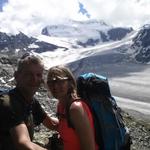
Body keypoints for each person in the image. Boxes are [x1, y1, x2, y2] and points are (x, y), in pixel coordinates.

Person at [0, 53, 58, 150]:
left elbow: (52, 124)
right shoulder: (8, 103)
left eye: (38, 75)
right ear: (16, 76)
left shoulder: (30, 101)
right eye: (28, 74)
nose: (34, 79)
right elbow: (23, 143)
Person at [46, 65, 99, 150]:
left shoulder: (76, 109)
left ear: (70, 83)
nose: (55, 86)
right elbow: (64, 126)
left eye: (60, 81)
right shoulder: (61, 105)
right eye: (51, 82)